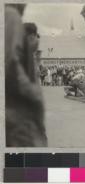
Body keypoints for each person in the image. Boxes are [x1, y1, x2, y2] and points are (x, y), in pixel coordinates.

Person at [5, 4, 47, 147]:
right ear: (31, 36)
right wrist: (33, 92)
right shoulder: (10, 16)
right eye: (36, 37)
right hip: (19, 116)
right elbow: (11, 65)